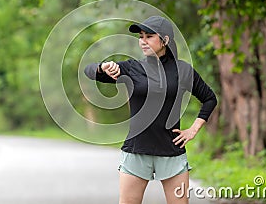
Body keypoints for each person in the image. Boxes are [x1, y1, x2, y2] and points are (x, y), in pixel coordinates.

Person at [84, 16, 217, 204]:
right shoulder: (131, 68)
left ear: (165, 40)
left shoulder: (183, 71)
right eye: (141, 37)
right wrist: (102, 67)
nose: (143, 41)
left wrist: (193, 130)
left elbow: (210, 98)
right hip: (136, 151)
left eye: (149, 36)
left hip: (172, 152)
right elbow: (88, 71)